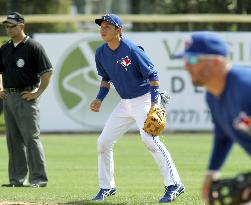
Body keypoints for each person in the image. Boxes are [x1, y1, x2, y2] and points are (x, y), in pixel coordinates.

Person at [89, 13, 185, 203]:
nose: (103, 29)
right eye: (101, 26)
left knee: (149, 139)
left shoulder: (132, 49)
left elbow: (153, 75)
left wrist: (154, 104)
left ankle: (175, 184)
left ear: (119, 30)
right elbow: (106, 78)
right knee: (103, 142)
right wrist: (99, 99)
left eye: (108, 26)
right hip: (125, 103)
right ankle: (107, 187)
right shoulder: (101, 52)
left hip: (143, 99)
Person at [174, 31, 251, 203]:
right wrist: (212, 171)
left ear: (217, 61)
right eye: (185, 60)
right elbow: (223, 135)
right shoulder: (212, 96)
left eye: (193, 59)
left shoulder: (246, 87)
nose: (186, 66)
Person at [0, 12, 52, 188]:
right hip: (9, 96)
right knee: (13, 140)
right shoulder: (5, 48)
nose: (8, 29)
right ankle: (16, 180)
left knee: (31, 138)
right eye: (6, 26)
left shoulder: (33, 47)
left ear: (21, 26)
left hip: (26, 96)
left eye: (12, 26)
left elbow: (47, 71)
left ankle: (38, 179)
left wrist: (37, 92)